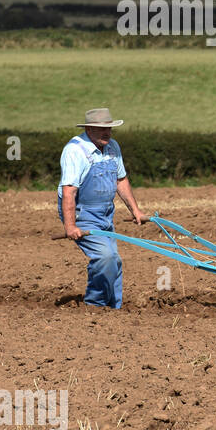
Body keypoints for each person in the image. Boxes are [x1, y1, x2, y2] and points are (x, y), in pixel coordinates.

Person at [57, 108, 147, 308]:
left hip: (105, 213)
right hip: (83, 214)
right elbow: (69, 191)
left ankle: (113, 308)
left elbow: (121, 180)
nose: (107, 133)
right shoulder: (75, 151)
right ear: (89, 128)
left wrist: (136, 211)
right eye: (101, 129)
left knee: (114, 261)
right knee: (105, 257)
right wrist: (70, 226)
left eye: (109, 128)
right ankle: (96, 306)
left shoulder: (112, 147)